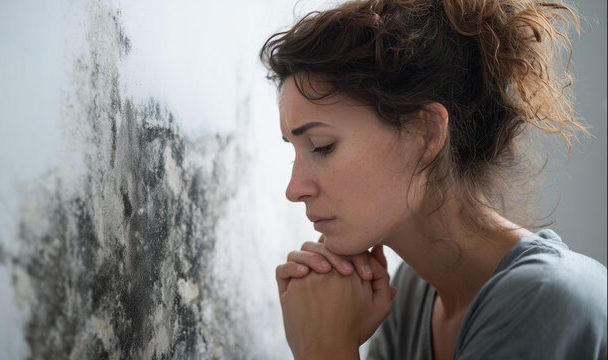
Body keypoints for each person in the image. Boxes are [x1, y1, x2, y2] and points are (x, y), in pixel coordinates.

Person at [260, 0, 607, 359]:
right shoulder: (411, 294)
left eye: (321, 146)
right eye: (295, 150)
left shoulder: (545, 300)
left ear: (424, 134)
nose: (294, 189)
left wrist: (324, 345)